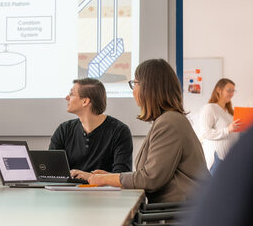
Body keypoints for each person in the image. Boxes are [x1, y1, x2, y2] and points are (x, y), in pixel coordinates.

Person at [88, 59, 209, 203]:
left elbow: (151, 179)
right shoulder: (168, 120)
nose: (133, 91)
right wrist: (110, 177)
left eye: (135, 83)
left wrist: (106, 179)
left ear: (149, 88)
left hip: (178, 215)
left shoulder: (169, 123)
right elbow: (154, 173)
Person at [49, 78, 132, 181]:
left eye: (71, 94)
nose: (66, 97)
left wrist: (90, 177)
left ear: (85, 101)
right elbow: (51, 171)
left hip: (105, 194)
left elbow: (122, 176)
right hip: (67, 194)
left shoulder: (119, 131)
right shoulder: (64, 129)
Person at [198, 78, 241, 174]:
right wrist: (227, 129)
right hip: (217, 159)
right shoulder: (209, 108)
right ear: (219, 90)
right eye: (229, 90)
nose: (232, 93)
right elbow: (205, 133)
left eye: (233, 91)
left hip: (230, 158)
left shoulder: (229, 112)